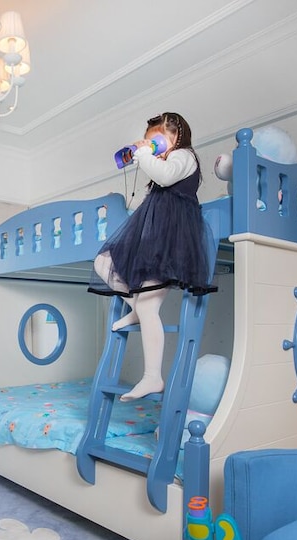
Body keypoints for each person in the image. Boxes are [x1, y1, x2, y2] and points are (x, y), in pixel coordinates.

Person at [89, 112, 215, 402]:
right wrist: (144, 155)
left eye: (156, 139)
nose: (151, 145)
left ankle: (152, 377)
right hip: (151, 240)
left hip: (171, 242)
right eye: (148, 141)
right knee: (103, 262)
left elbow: (166, 175)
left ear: (175, 136)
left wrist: (145, 153)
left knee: (149, 307)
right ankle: (136, 308)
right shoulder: (161, 166)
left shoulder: (184, 157)